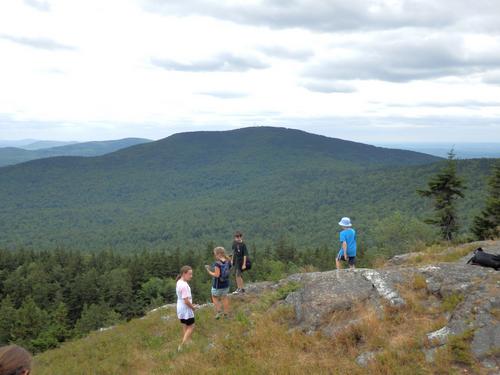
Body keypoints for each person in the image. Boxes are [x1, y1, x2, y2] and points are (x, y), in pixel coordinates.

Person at [205, 246, 231, 319]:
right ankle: (226, 315)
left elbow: (217, 275)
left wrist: (209, 271)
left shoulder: (217, 263)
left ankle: (219, 312)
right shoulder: (228, 260)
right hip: (226, 283)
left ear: (218, 254)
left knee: (214, 297)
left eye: (215, 254)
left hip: (218, 285)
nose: (214, 255)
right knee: (224, 298)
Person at [175, 265, 197, 351]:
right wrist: (193, 307)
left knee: (185, 325)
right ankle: (182, 345)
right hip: (185, 308)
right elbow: (186, 301)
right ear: (184, 274)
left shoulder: (179, 282)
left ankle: (187, 341)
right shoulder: (184, 285)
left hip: (180, 307)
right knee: (191, 326)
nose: (191, 276)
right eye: (190, 274)